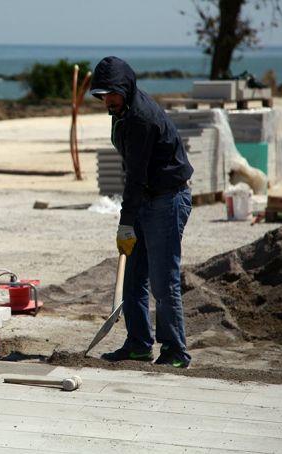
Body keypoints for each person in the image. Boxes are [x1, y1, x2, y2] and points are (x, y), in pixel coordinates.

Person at [90, 56, 194, 368]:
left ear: (126, 88)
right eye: (103, 95)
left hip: (167, 199)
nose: (107, 100)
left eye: (112, 94)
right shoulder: (121, 109)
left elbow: (135, 174)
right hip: (146, 197)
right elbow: (133, 172)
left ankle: (175, 350)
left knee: (163, 281)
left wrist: (125, 222)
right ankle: (138, 344)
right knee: (134, 277)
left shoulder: (141, 119)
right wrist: (131, 218)